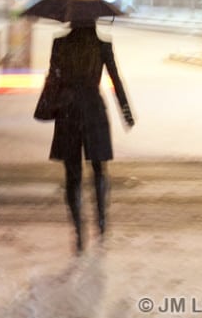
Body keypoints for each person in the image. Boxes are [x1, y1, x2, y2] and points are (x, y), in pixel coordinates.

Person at [45, 19, 135, 253]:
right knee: (99, 169)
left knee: (72, 175)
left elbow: (52, 78)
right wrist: (125, 111)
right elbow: (115, 79)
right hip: (94, 110)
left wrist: (47, 106)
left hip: (68, 111)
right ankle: (102, 221)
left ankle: (78, 232)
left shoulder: (60, 44)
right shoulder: (102, 45)